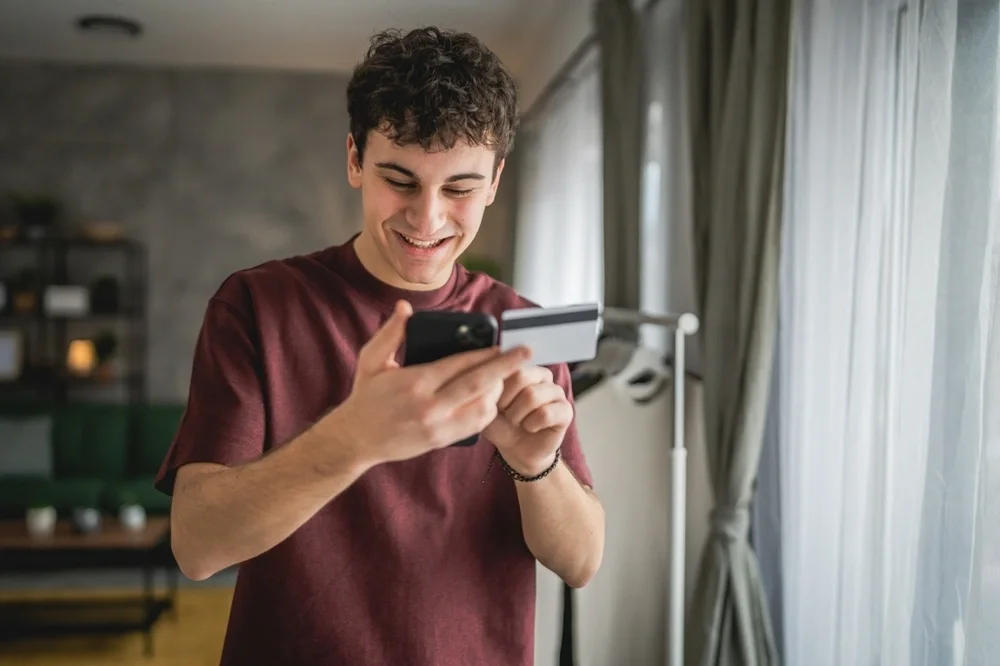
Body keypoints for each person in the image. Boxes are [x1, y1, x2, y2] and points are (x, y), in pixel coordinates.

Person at [155, 25, 605, 666]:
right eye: (400, 179)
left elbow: (583, 561)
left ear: (496, 181)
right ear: (354, 160)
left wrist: (536, 465)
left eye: (459, 188)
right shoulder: (257, 305)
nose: (427, 220)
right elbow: (196, 547)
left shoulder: (519, 326)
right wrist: (353, 440)